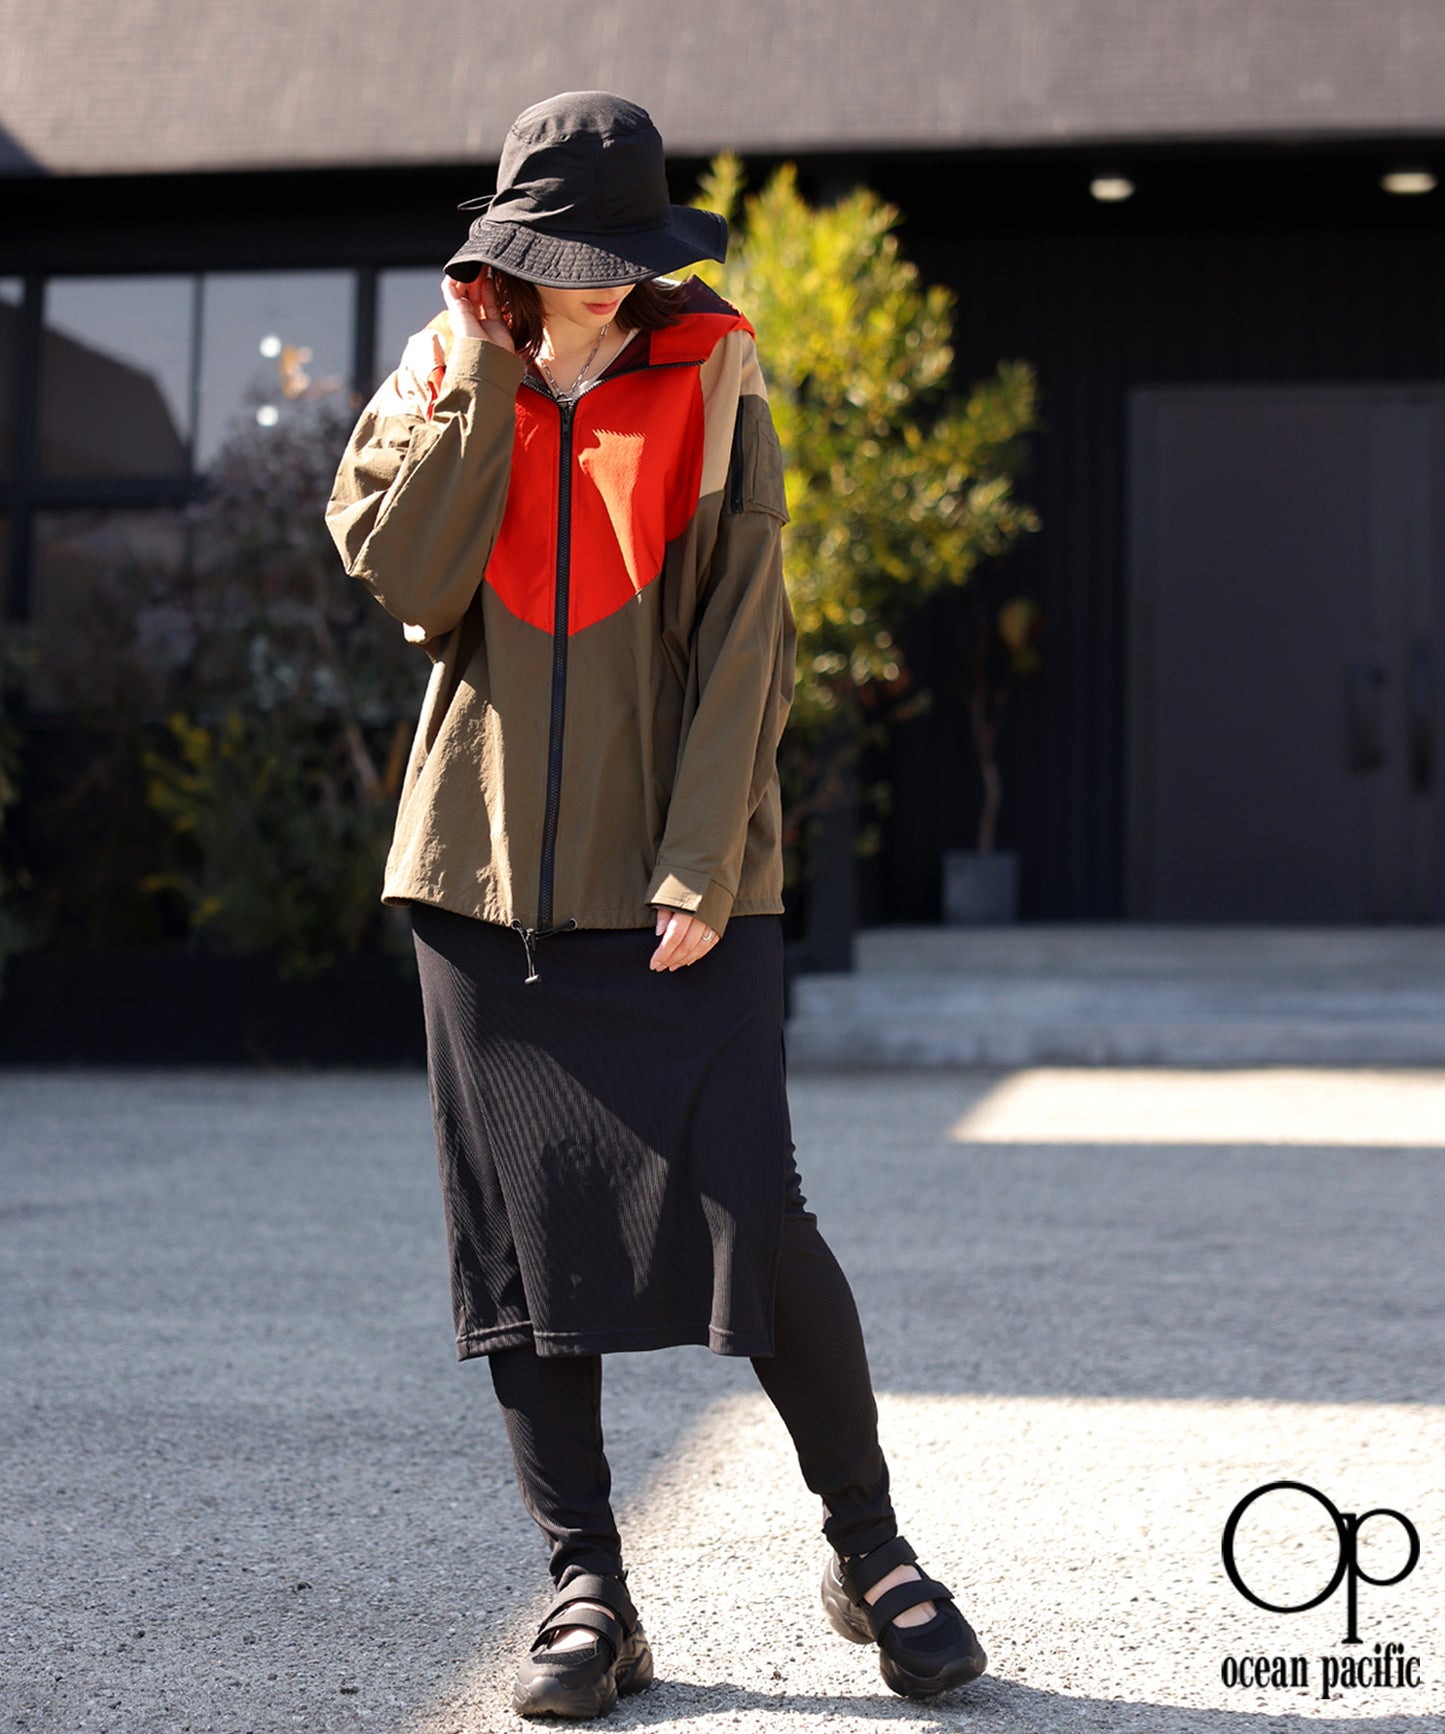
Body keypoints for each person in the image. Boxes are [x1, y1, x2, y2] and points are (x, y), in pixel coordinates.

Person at [325, 91, 986, 1721]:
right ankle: (588, 1589)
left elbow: (749, 628)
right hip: (481, 880)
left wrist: (701, 861)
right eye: (585, 255)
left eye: (633, 250)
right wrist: (489, 378)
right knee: (526, 1243)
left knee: (757, 1212)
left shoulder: (711, 366)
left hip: (685, 884)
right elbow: (405, 575)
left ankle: (870, 1548)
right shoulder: (442, 369)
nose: (617, 277)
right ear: (518, 256)